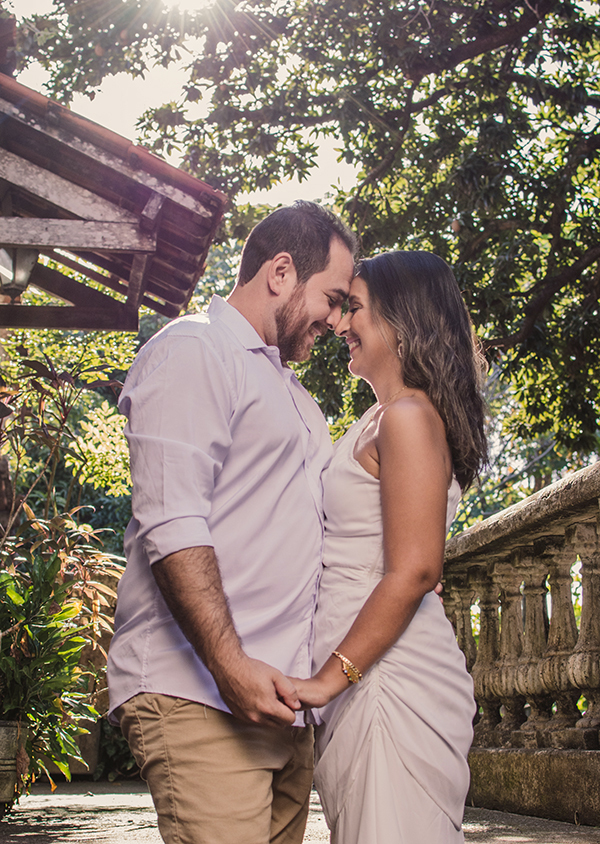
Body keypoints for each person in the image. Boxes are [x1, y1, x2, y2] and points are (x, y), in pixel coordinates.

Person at [106, 201, 357, 844]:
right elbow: (173, 520)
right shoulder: (195, 349)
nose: (337, 320)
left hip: (283, 704)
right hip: (203, 693)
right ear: (280, 272)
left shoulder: (299, 401)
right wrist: (229, 664)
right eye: (331, 298)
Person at [291, 250, 488, 844]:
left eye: (355, 309)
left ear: (402, 322)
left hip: (384, 679)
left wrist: (329, 680)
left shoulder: (406, 417)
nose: (339, 324)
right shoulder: (384, 416)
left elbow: (416, 569)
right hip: (364, 676)